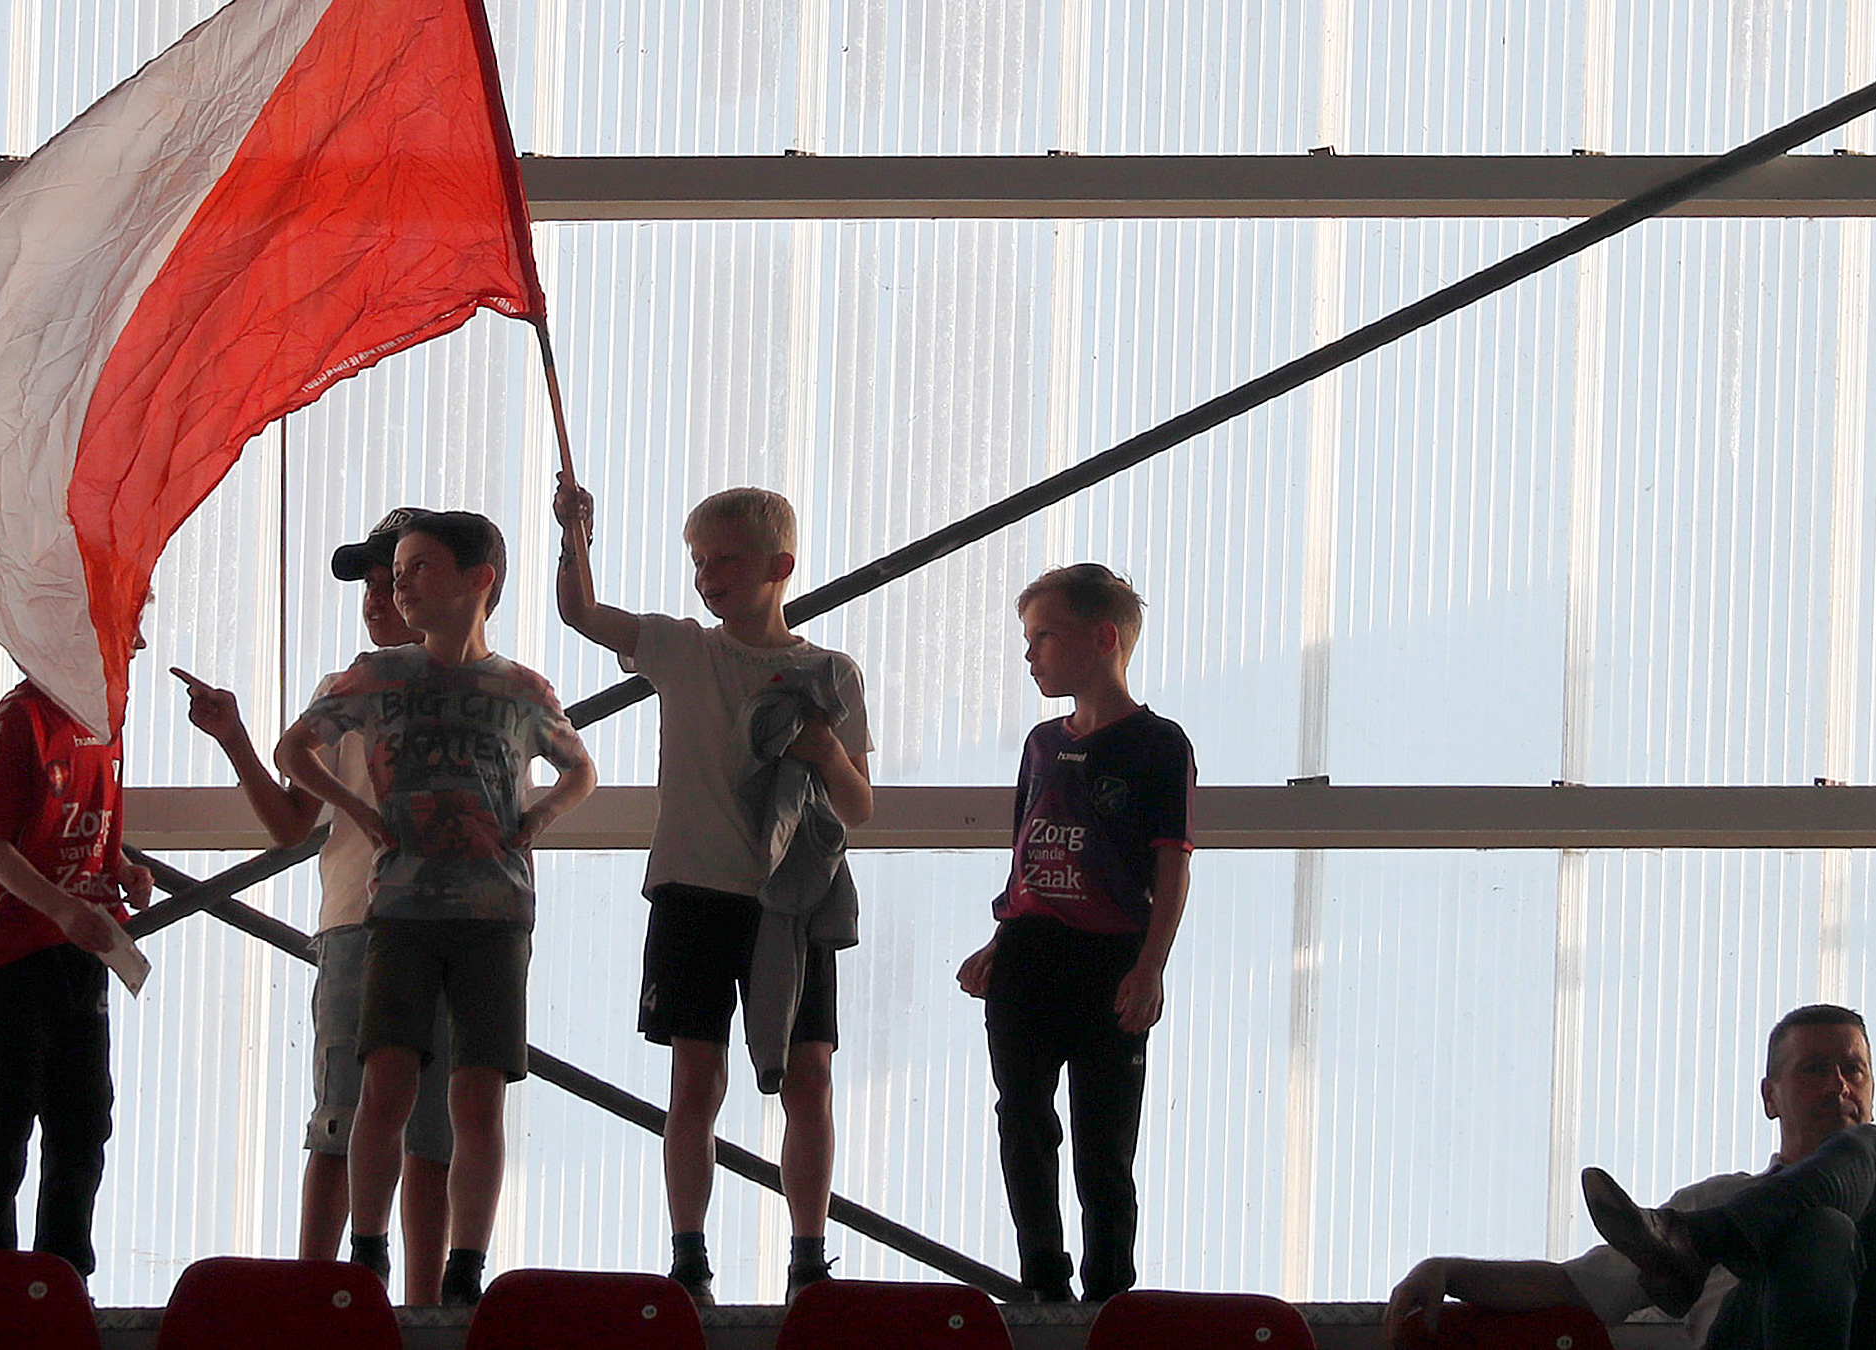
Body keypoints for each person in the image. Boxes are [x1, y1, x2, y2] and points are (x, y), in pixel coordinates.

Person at [553, 480, 874, 1303]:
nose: (707, 575)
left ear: (781, 566)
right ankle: (688, 1259)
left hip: (793, 902)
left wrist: (822, 749)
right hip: (693, 891)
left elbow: (859, 803)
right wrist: (574, 534)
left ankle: (809, 1258)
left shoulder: (829, 671)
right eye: (698, 561)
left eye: (725, 558)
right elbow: (584, 614)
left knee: (808, 1078)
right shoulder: (681, 647)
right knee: (696, 1079)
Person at [1386, 1005, 1876, 1350]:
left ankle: (1701, 1247)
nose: (1840, 1084)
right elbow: (1574, 1287)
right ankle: (1719, 1243)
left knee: (1873, 1164)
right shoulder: (1713, 1190)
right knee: (1817, 1225)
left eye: (1855, 1069)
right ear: (1771, 1095)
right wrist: (1448, 1268)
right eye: (1815, 1068)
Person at [276, 508, 597, 1306]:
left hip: (492, 912)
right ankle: (364, 1253)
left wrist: (539, 820)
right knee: (376, 1086)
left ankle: (459, 1270)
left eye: (418, 568)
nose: (399, 586)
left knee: (471, 1095)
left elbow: (578, 768)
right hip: (396, 910)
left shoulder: (519, 688)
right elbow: (294, 754)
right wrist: (359, 811)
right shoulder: (376, 677)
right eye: (396, 573)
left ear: (477, 580)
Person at [176, 506, 458, 1305]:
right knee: (346, 1109)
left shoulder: (478, 689)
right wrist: (236, 738)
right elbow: (291, 823)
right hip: (357, 923)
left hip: (441, 925)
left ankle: (422, 1304)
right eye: (371, 585)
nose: (377, 598)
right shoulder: (344, 692)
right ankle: (320, 1291)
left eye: (393, 580)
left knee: (423, 1124)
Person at [952, 563, 1192, 1304]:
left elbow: (1172, 864)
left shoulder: (1158, 744)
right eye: (1028, 639)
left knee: (1103, 1145)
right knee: (1022, 1119)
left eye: (1044, 637)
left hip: (1109, 959)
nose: (1031, 655)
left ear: (1104, 638)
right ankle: (1042, 1283)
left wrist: (1149, 967)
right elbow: (1029, 846)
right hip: (1029, 956)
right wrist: (1000, 937)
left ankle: (1110, 1295)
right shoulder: (1040, 743)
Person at [0, 674, 151, 1278]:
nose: (134, 644)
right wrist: (61, 907)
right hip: (14, 945)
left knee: (84, 1114)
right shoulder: (16, 721)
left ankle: (62, 1272)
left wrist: (121, 865)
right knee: (4, 1111)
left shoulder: (106, 714)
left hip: (83, 943)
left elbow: (88, 815)